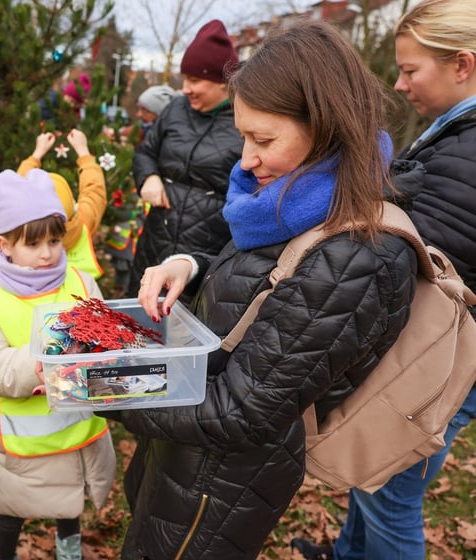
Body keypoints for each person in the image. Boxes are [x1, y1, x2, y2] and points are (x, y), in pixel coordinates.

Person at [104, 21, 420, 559]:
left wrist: (106, 387)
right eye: (244, 136)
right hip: (183, 445)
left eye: (263, 139)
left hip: (218, 483)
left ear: (324, 127)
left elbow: (241, 412)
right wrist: (191, 265)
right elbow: (265, 283)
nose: (245, 159)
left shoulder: (356, 256)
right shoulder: (291, 203)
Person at [291, 2, 476, 558]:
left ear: (462, 65)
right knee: (373, 471)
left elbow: (420, 260)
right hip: (448, 351)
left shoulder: (468, 149)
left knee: (391, 488)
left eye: (411, 70)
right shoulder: (456, 133)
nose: (400, 83)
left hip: (442, 358)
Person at [0, 169, 115, 560]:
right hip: (20, 437)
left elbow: (105, 335)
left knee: (70, 500)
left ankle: (69, 549)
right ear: (5, 244)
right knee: (12, 508)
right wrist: (46, 361)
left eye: (53, 240)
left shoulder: (79, 283)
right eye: (33, 244)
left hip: (75, 426)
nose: (47, 252)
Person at [129, 20, 244, 305]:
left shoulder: (244, 117)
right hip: (155, 242)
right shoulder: (176, 109)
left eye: (194, 80)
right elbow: (145, 152)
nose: (185, 89)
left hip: (206, 254)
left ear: (222, 81)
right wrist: (148, 177)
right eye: (185, 79)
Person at [104, 85, 179, 294]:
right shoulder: (144, 131)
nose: (139, 114)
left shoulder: (166, 136)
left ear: (157, 112)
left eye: (144, 110)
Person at [16, 128, 107, 278]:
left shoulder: (20, 226)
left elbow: (18, 187)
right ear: (72, 205)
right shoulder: (83, 222)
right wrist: (83, 152)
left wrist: (36, 154)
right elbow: (94, 190)